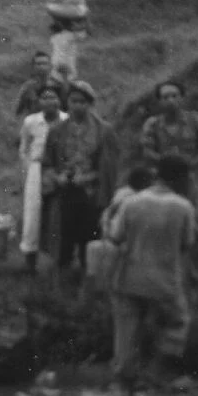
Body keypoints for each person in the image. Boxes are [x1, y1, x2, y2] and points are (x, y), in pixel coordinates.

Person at [108, 156, 196, 394]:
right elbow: (186, 248)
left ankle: (123, 380)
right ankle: (155, 372)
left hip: (129, 278)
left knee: (127, 330)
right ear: (178, 179)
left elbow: (115, 238)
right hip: (165, 283)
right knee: (178, 322)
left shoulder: (132, 202)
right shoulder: (183, 207)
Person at [140, 80, 198, 290]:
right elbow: (147, 151)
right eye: (165, 97)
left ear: (182, 98)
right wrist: (165, 164)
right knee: (158, 227)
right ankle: (160, 277)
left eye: (174, 96)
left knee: (197, 229)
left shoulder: (195, 121)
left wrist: (190, 164)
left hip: (186, 182)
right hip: (161, 182)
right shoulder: (152, 124)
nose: (170, 101)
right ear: (159, 101)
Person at [43, 80, 121, 278]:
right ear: (66, 102)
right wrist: (57, 176)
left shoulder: (104, 131)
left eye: (82, 102)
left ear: (90, 103)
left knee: (90, 234)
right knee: (64, 236)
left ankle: (90, 278)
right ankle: (62, 277)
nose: (77, 106)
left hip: (91, 194)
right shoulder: (57, 131)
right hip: (65, 192)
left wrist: (88, 178)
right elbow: (47, 162)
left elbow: (109, 168)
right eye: (73, 101)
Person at [18, 85, 68, 274]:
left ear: (59, 100)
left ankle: (58, 261)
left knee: (58, 212)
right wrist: (29, 168)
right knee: (33, 213)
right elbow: (24, 148)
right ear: (39, 102)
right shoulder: (31, 121)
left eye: (53, 97)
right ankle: (30, 261)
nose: (49, 102)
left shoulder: (66, 120)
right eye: (45, 98)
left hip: (60, 168)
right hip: (37, 169)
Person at [14, 51, 55, 118]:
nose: (41, 66)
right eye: (38, 64)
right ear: (33, 67)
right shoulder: (28, 87)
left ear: (50, 66)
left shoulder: (56, 85)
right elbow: (17, 111)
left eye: (44, 63)